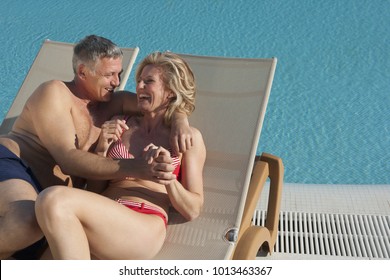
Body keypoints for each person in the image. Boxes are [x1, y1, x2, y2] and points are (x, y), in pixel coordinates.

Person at [0, 35, 192, 259]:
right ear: (82, 72)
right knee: (26, 221)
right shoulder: (54, 93)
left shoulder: (115, 102)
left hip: (48, 200)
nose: (117, 82)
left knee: (30, 249)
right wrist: (135, 167)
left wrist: (180, 121)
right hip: (16, 165)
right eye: (109, 75)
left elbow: (161, 103)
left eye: (119, 74)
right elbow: (68, 159)